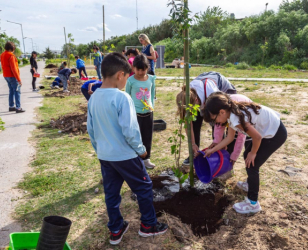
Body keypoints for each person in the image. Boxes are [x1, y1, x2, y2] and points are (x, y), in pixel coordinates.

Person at [87, 52, 168, 245]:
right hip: (125, 155)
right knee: (144, 186)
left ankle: (116, 229)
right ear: (120, 75)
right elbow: (130, 130)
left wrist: (100, 150)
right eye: (127, 75)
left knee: (112, 193)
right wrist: (141, 150)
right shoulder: (122, 98)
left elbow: (91, 130)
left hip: (106, 156)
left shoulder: (93, 98)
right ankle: (148, 225)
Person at [202, 92, 287, 214]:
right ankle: (250, 184)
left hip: (275, 134)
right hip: (268, 131)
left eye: (215, 119)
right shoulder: (231, 114)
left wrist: (253, 153)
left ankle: (253, 203)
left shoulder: (235, 118)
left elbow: (257, 137)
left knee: (252, 164)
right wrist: (212, 150)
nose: (217, 123)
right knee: (247, 157)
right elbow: (229, 138)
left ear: (221, 112)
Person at [176, 72, 237, 166]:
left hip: (222, 91)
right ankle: (194, 154)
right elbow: (188, 124)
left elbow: (219, 126)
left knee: (222, 124)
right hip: (202, 93)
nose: (191, 113)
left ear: (196, 100)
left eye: (192, 110)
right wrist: (192, 143)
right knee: (195, 121)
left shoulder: (212, 93)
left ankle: (226, 158)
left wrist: (217, 142)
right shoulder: (187, 96)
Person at [125, 54, 156, 169]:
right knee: (136, 136)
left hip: (148, 112)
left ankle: (146, 159)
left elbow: (152, 95)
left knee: (147, 136)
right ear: (133, 68)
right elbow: (127, 96)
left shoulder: (151, 79)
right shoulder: (130, 81)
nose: (141, 72)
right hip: (135, 114)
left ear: (147, 68)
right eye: (138, 70)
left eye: (143, 70)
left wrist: (152, 106)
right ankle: (136, 159)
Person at [0, 41, 25, 113]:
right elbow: (14, 68)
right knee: (17, 91)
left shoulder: (2, 54)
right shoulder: (11, 56)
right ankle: (18, 108)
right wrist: (19, 79)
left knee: (11, 91)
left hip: (6, 75)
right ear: (12, 48)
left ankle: (11, 106)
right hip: (12, 76)